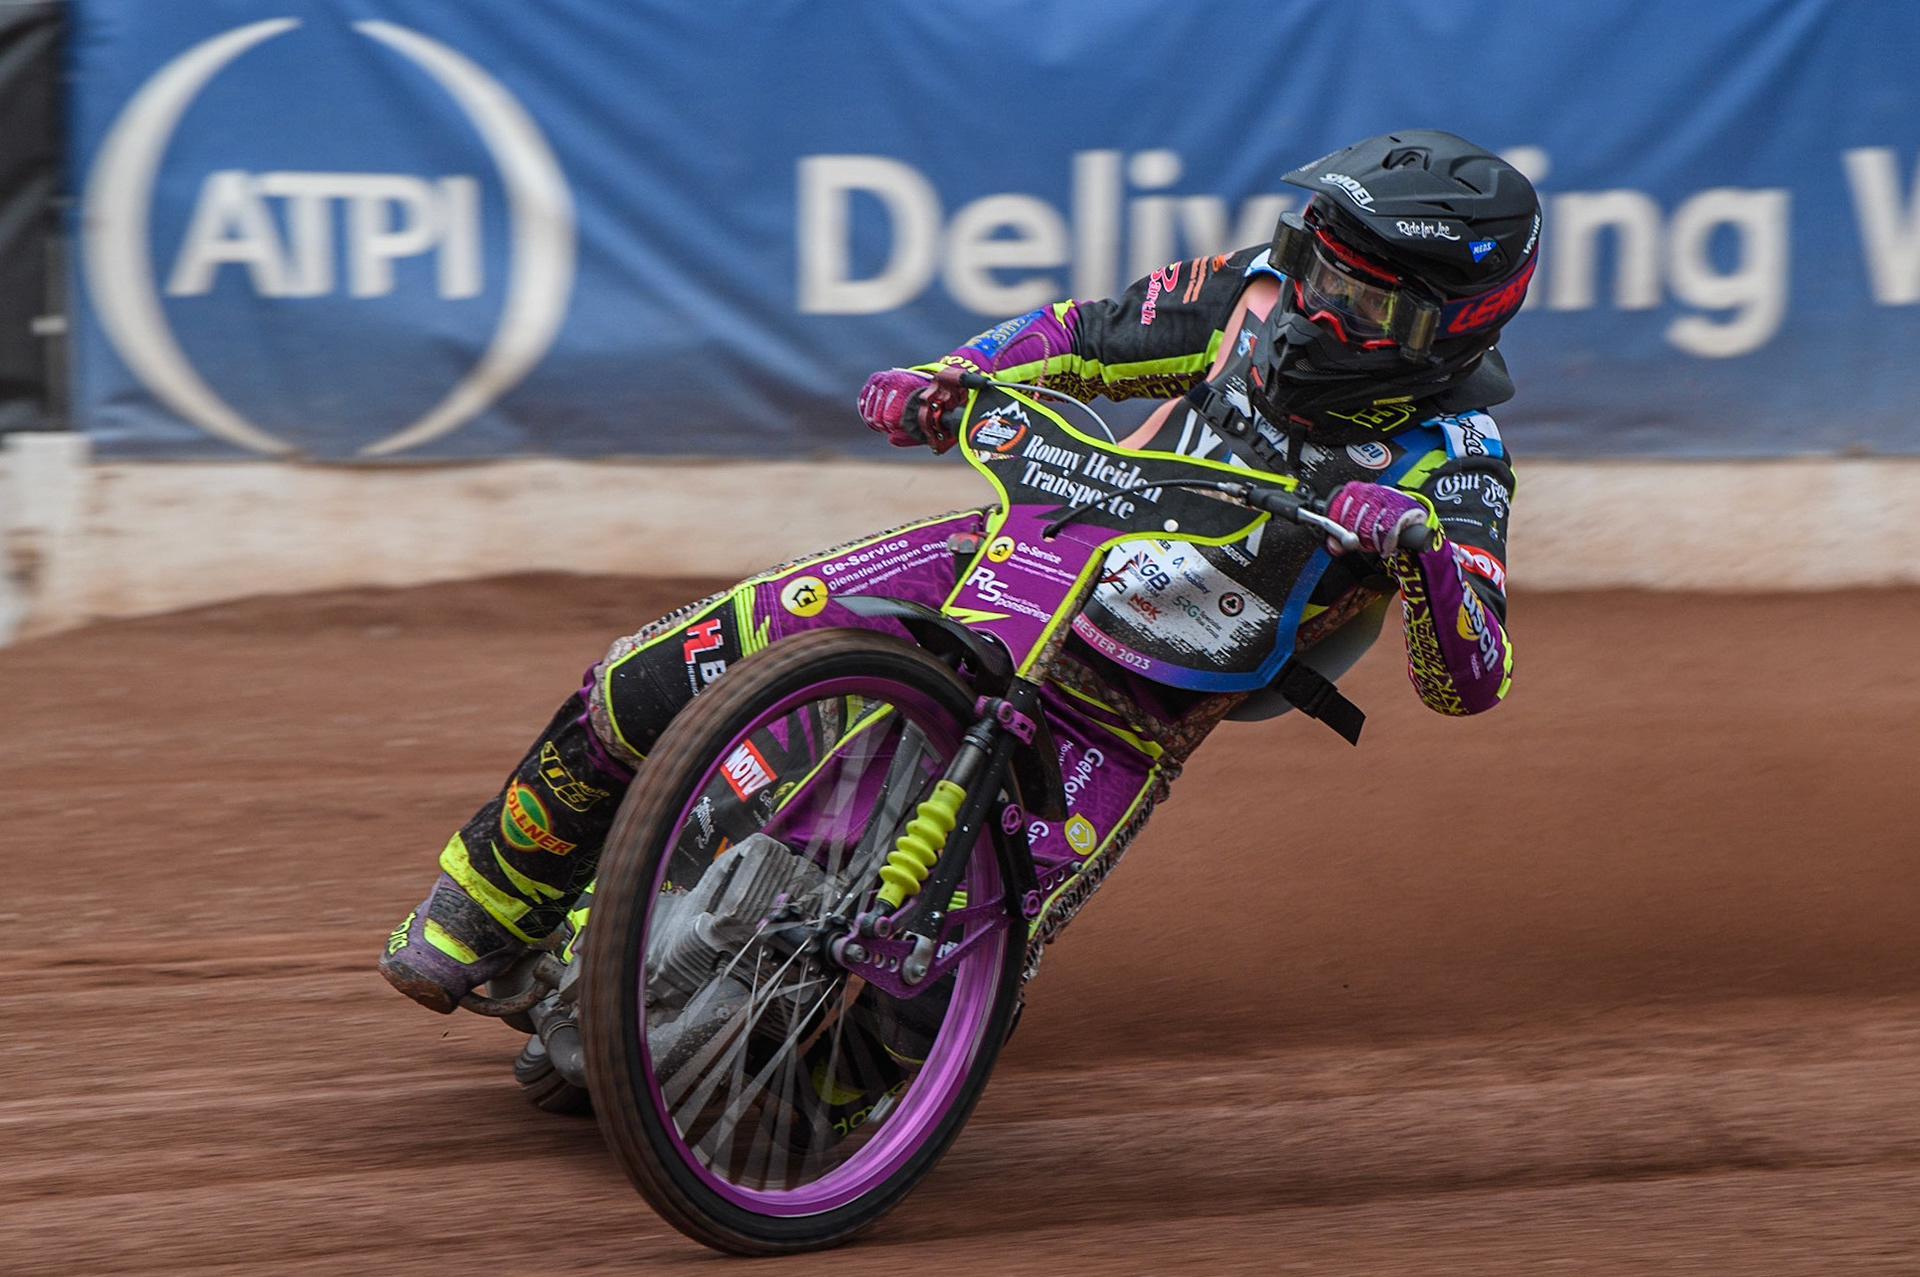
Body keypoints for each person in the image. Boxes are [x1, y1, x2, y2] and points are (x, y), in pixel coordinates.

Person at [379, 129, 1537, 1020]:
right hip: (1020, 556)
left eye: (1366, 296)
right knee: (648, 677)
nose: (1321, 303)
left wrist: (1420, 549)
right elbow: (1085, 330)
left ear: (1456, 325)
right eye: (1317, 263)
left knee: (922, 996)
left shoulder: (1457, 460)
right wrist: (948, 374)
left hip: (1137, 698)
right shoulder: (1252, 293)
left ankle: (818, 1103)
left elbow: (1467, 675)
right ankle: (482, 910)